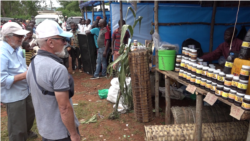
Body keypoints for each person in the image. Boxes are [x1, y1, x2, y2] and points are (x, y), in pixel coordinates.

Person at [26, 20, 81, 141]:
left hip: (46, 129)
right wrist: (73, 134)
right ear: (50, 42)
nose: (66, 43)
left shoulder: (33, 63)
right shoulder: (57, 68)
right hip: (61, 132)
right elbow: (64, 107)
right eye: (62, 40)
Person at [0, 22, 37, 141]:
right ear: (8, 37)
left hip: (25, 90)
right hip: (13, 95)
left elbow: (21, 67)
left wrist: (29, 69)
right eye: (19, 36)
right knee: (17, 125)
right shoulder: (2, 53)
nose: (22, 38)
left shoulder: (16, 47)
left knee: (30, 114)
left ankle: (26, 131)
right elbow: (1, 80)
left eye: (22, 35)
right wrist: (25, 75)